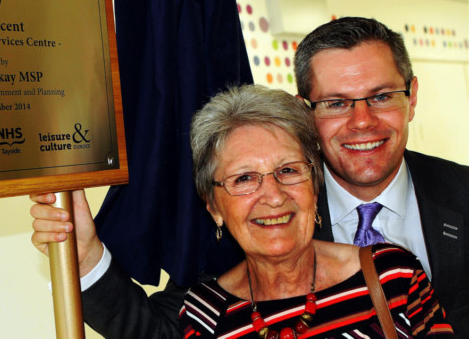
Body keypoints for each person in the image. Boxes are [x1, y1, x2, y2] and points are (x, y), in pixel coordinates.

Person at [30, 17, 469, 338]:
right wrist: (85, 254)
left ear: (411, 97)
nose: (362, 122)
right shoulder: (226, 269)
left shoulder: (402, 264)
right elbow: (153, 331)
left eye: (381, 96)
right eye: (336, 102)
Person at [179, 84, 451, 337]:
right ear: (213, 206)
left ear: (314, 185)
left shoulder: (393, 277)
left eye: (287, 170)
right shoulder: (205, 313)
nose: (274, 197)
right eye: (244, 178)